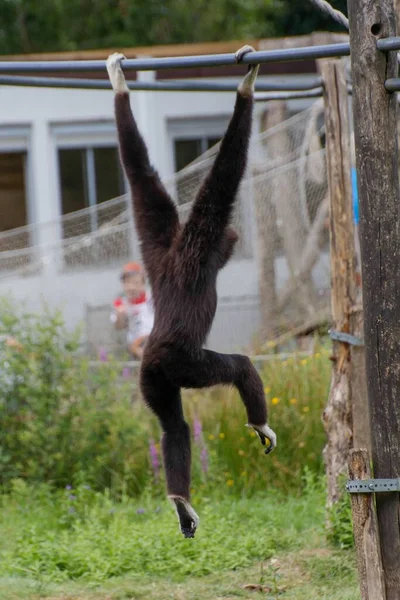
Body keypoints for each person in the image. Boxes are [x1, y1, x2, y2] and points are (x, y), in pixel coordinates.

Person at [110, 262, 154, 359]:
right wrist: (120, 314)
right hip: (136, 344)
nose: (132, 287)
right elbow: (119, 326)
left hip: (155, 338)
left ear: (143, 283)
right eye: (128, 283)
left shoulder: (152, 298)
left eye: (136, 283)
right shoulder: (121, 303)